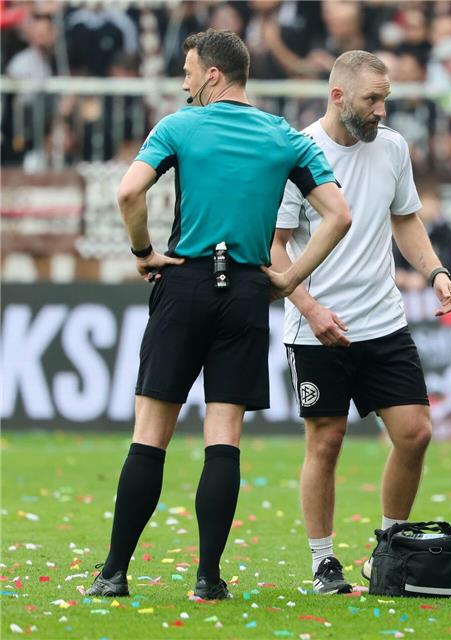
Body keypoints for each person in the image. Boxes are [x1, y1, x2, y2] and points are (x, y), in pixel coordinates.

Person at [86, 29, 353, 601]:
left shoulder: (179, 126)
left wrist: (142, 252)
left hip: (184, 282)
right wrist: (290, 278)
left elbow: (129, 193)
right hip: (247, 293)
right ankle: (208, 579)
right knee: (224, 437)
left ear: (213, 74)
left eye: (188, 71)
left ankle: (113, 574)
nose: (184, 83)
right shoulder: (284, 135)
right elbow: (338, 215)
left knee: (150, 434)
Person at [269, 50, 451, 596]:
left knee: (415, 434)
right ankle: (323, 563)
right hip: (317, 326)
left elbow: (406, 221)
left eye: (385, 99)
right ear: (338, 96)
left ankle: (389, 550)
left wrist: (435, 271)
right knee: (326, 441)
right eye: (372, 99)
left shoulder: (393, 147)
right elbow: (275, 247)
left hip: (383, 320)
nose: (381, 110)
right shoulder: (299, 154)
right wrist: (310, 310)